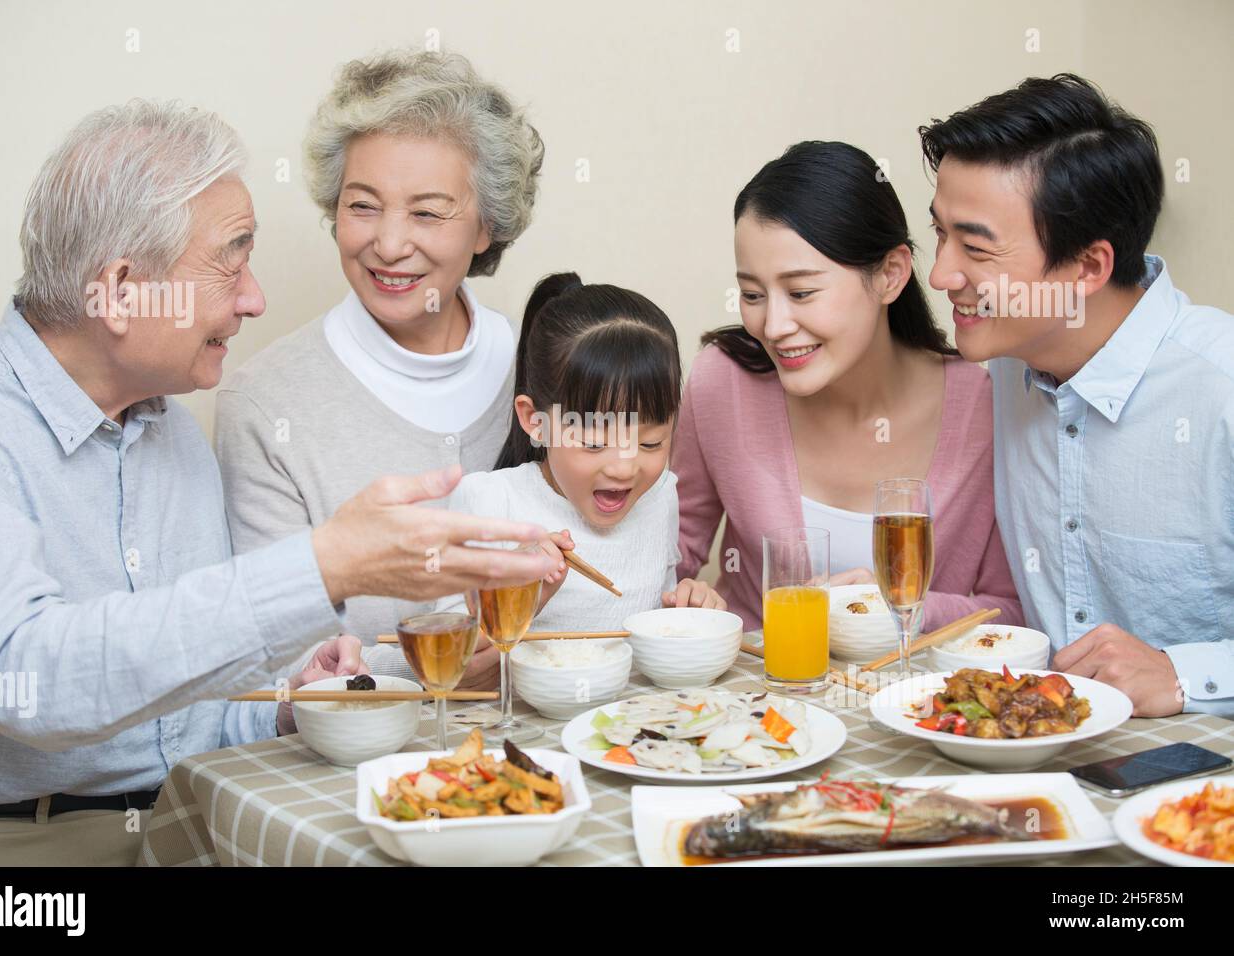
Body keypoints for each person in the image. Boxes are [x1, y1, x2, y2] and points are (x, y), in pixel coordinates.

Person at [0, 100, 553, 866]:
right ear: (124, 289)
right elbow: (27, 680)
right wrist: (324, 566)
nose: (255, 298)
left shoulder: (167, 429)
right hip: (22, 848)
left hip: (195, 817)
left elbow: (190, 720)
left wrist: (290, 703)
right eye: (231, 259)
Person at [214, 50, 543, 688]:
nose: (389, 245)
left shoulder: (543, 371)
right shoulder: (264, 404)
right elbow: (279, 663)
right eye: (363, 206)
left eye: (426, 212)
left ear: (486, 227)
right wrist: (433, 663)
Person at [920, 73, 1234, 717]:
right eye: (940, 235)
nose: (942, 274)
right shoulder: (1010, 365)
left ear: (1088, 267)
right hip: (1052, 766)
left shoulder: (1219, 385)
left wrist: (1185, 674)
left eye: (975, 248)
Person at [673, 141, 1022, 633]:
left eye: (801, 293)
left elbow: (1008, 610)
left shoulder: (981, 406)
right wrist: (684, 602)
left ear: (889, 275)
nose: (773, 325)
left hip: (913, 701)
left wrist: (904, 610)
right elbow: (669, 560)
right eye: (752, 294)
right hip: (758, 697)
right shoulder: (722, 385)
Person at [445, 272, 726, 630]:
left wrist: (687, 614)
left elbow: (653, 622)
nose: (624, 469)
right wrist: (517, 598)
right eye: (594, 443)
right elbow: (450, 661)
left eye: (650, 442)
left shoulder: (660, 495)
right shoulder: (488, 504)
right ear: (535, 421)